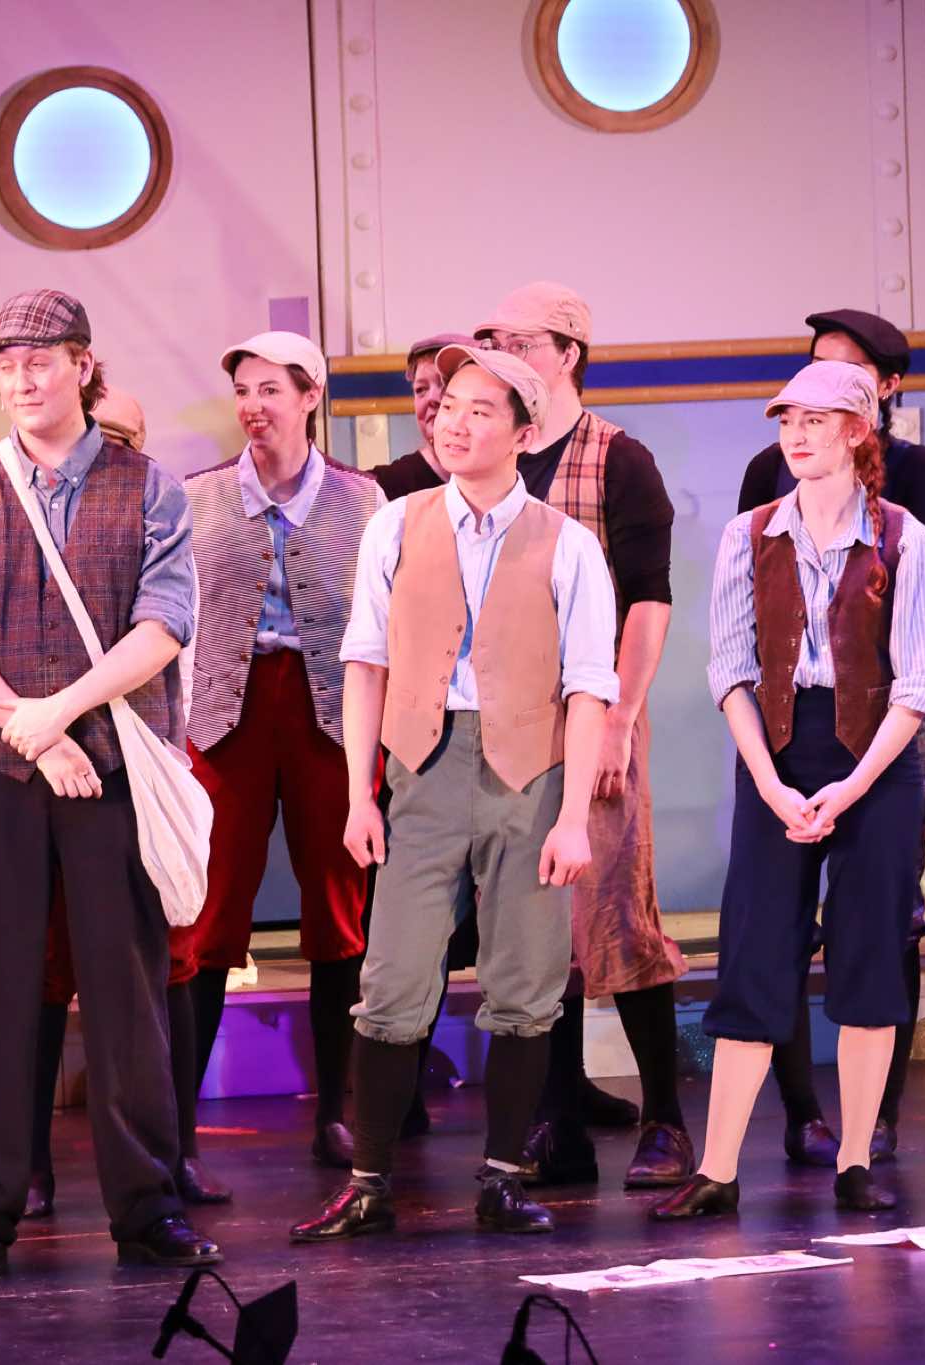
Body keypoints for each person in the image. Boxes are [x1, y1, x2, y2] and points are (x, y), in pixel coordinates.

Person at [0, 289, 220, 1280]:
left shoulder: (149, 487)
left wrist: (64, 712)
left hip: (114, 761)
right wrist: (28, 731)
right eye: (5, 365)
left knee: (127, 991)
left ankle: (148, 1206)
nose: (20, 381)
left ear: (83, 366)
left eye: (38, 361)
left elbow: (164, 625)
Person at [290, 343, 614, 1243]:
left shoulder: (568, 543)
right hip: (421, 768)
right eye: (448, 405)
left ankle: (503, 1176)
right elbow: (365, 662)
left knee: (526, 980)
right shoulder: (395, 524)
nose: (454, 422)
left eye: (480, 409)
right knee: (392, 976)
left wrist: (575, 817)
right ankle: (368, 1183)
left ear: (524, 433)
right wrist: (360, 794)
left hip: (530, 771)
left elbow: (591, 686)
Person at [652, 361, 925, 1220]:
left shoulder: (905, 538)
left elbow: (916, 687)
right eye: (788, 420)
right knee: (755, 946)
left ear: (858, 431)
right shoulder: (748, 535)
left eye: (817, 419)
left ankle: (855, 1159)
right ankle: (718, 1167)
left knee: (869, 950)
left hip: (876, 759)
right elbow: (730, 671)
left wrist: (850, 788)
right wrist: (771, 783)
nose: (797, 434)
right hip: (777, 750)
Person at [473, 282, 691, 1190]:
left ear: (567, 353)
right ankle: (555, 1122)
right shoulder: (495, 452)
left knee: (618, 914)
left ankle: (666, 1118)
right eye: (495, 339)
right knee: (534, 926)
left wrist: (621, 722)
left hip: (594, 713)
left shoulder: (617, 458)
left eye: (521, 340)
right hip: (507, 721)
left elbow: (648, 600)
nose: (507, 352)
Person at [738, 308, 925, 1166]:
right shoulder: (768, 484)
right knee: (772, 926)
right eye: (793, 406)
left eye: (828, 398)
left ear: (877, 397)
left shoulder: (913, 488)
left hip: (883, 715)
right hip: (787, 722)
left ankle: (875, 1120)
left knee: (883, 922)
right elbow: (754, 609)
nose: (800, 426)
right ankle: (799, 1111)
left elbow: (915, 610)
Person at [22, 385, 226, 1218]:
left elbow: (177, 644)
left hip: (140, 758)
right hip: (40, 763)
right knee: (42, 966)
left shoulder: (157, 514)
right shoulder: (20, 513)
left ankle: (175, 1151)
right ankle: (28, 1161)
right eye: (96, 432)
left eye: (123, 436)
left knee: (164, 964)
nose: (105, 448)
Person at [181, 331, 383, 1171]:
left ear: (310, 397)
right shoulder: (195, 497)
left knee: (338, 906)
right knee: (205, 908)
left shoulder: (363, 500)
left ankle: (336, 1108)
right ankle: (176, 1127)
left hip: (328, 711)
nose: (253, 406)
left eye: (270, 389)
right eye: (243, 391)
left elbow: (384, 621)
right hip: (221, 712)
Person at [373, 333, 476, 500]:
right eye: (420, 389)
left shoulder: (516, 478)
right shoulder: (384, 489)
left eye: (445, 384)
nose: (431, 398)